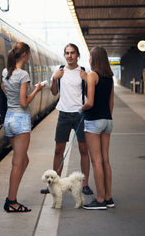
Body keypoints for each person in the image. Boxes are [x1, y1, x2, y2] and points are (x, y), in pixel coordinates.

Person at [40, 43, 93, 195]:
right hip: (63, 113)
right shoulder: (59, 71)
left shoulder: (84, 71)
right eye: (67, 53)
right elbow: (54, 92)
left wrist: (87, 79)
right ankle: (54, 185)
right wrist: (54, 80)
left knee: (84, 149)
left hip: (80, 114)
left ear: (77, 55)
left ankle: (85, 184)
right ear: (64, 55)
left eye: (72, 53)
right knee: (58, 150)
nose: (69, 55)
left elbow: (90, 95)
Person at [2, 42, 44, 212]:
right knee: (18, 163)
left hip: (9, 118)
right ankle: (11, 201)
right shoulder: (23, 75)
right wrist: (37, 90)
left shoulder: (6, 71)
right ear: (25, 54)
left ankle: (11, 197)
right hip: (20, 118)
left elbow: (5, 91)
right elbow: (23, 102)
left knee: (23, 160)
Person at [80, 46, 114, 210]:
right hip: (107, 120)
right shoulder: (110, 77)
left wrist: (82, 108)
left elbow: (90, 102)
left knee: (96, 161)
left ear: (93, 59)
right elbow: (111, 103)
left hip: (94, 121)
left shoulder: (92, 75)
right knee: (105, 160)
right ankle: (109, 197)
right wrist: (106, 116)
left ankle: (99, 200)